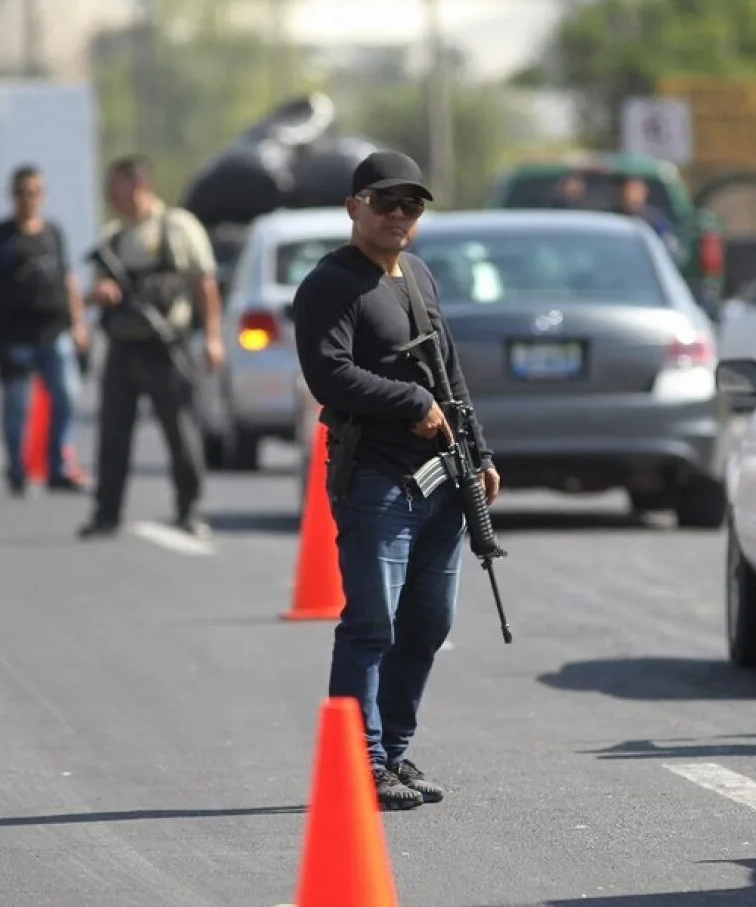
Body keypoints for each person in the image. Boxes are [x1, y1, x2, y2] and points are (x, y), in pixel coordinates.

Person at [293, 150, 499, 810]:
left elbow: (448, 371)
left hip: (443, 479)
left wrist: (480, 452)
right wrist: (410, 401)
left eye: (411, 205)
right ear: (354, 207)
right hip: (377, 481)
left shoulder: (418, 275)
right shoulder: (331, 284)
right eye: (385, 202)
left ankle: (394, 752)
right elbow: (329, 374)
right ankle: (363, 761)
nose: (399, 215)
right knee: (371, 625)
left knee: (427, 624)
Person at [77, 154, 224, 540]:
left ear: (137, 184)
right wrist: (102, 292)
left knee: (181, 432)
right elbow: (93, 290)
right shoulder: (113, 237)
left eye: (116, 184)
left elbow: (204, 284)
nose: (110, 193)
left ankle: (190, 509)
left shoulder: (176, 226)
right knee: (113, 435)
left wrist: (212, 337)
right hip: (123, 347)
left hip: (166, 347)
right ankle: (106, 513)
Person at [0, 164, 88, 496]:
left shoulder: (53, 233)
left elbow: (68, 278)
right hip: (14, 334)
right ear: (12, 195)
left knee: (67, 395)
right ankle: (17, 469)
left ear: (43, 196)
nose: (28, 199)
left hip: (53, 329)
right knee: (17, 406)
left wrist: (78, 323)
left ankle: (58, 465)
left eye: (34, 193)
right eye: (22, 193)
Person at [617, 176, 679, 258]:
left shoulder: (654, 218)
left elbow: (670, 244)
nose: (632, 194)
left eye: (637, 190)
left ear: (645, 191)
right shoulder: (613, 216)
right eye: (629, 189)